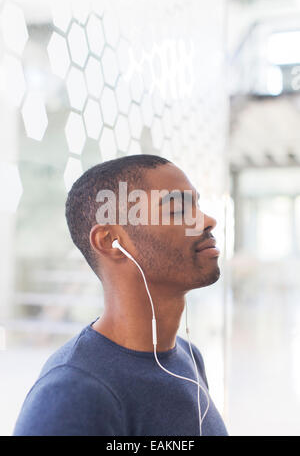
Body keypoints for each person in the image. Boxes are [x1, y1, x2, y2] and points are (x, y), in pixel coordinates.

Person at [13, 154, 228, 436]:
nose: (207, 220)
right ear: (111, 242)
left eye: (197, 206)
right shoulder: (73, 393)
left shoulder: (188, 356)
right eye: (178, 210)